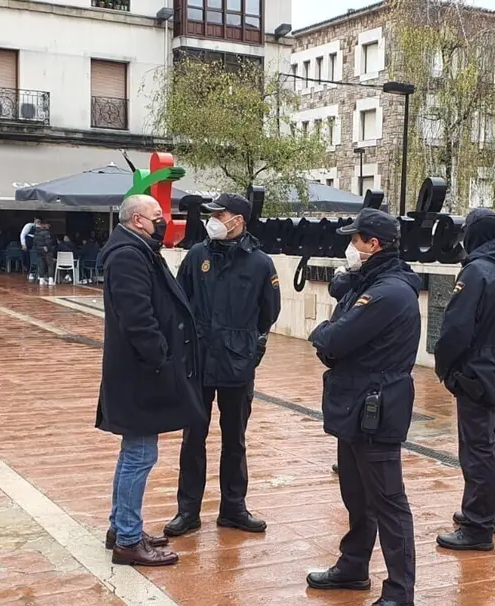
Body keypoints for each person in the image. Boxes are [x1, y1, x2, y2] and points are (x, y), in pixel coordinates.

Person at [305, 208, 419, 605]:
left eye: (355, 240)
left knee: (388, 502)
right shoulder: (369, 283)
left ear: (374, 244)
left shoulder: (388, 292)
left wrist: (321, 333)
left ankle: (400, 592)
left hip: (376, 408)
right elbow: (341, 328)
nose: (350, 247)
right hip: (355, 403)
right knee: (356, 495)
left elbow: (334, 338)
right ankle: (353, 566)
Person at [97, 195, 205, 567]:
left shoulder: (138, 249)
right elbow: (138, 317)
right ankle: (127, 540)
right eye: (159, 216)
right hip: (141, 373)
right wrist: (160, 356)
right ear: (139, 219)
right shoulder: (129, 255)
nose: (165, 221)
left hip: (139, 371)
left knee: (134, 454)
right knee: (140, 456)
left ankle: (121, 527)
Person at [166, 194, 281, 537]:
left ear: (239, 220)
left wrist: (246, 347)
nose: (214, 219)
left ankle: (233, 508)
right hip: (199, 361)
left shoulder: (260, 263)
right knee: (193, 437)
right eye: (212, 213)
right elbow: (179, 301)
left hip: (236, 364)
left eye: (221, 214)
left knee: (235, 439)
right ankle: (188, 511)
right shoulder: (197, 255)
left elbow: (269, 312)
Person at [434, 207, 495, 552]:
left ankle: (478, 525)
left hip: (476, 372)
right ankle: (486, 512)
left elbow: (456, 328)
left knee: (477, 450)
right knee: (493, 446)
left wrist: (445, 368)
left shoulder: (476, 273)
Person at [30, 221, 56, 286]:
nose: (49, 227)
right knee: (50, 265)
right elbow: (48, 242)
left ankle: (41, 280)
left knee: (41, 265)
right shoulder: (46, 232)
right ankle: (50, 280)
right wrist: (50, 248)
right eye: (48, 225)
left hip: (39, 251)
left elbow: (34, 243)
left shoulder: (36, 233)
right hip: (47, 251)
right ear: (44, 225)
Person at [20, 217, 40, 281]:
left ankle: (35, 273)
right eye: (37, 221)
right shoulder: (29, 225)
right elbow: (22, 234)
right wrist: (23, 244)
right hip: (28, 244)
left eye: (39, 221)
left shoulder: (40, 228)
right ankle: (29, 272)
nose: (38, 222)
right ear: (34, 220)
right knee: (28, 258)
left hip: (36, 245)